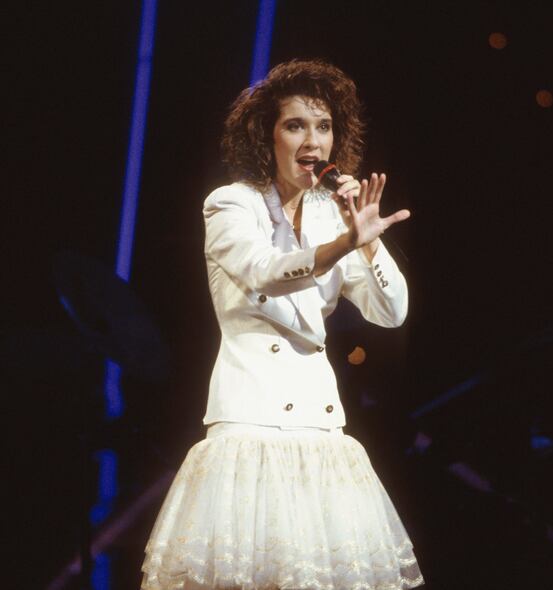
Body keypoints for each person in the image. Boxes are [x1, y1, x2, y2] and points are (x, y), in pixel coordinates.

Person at [141, 59, 424, 590]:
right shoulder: (231, 205)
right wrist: (344, 243)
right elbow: (264, 272)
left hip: (320, 432)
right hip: (248, 426)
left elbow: (391, 313)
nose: (311, 140)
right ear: (266, 136)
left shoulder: (330, 215)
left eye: (323, 126)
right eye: (295, 125)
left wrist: (367, 239)